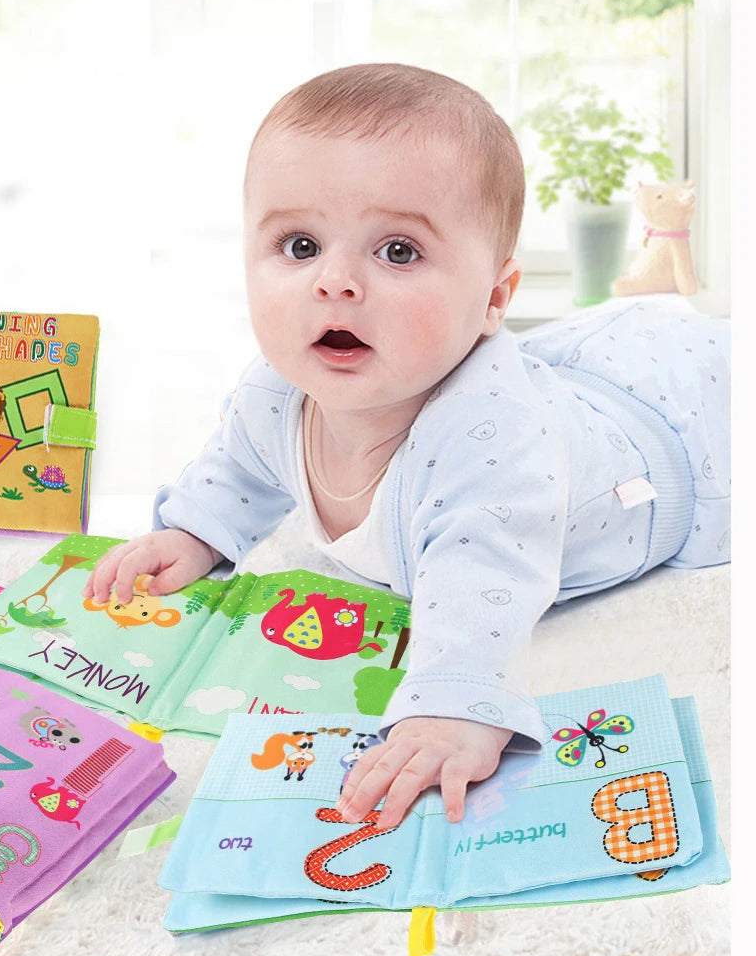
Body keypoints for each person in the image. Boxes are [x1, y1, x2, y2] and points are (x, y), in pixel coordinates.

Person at [84, 63, 729, 831]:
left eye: (396, 251)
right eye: (298, 244)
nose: (336, 281)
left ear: (494, 297)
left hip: (672, 435)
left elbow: (487, 577)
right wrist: (194, 532)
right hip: (576, 380)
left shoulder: (490, 444)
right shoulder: (273, 392)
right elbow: (241, 468)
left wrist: (453, 708)